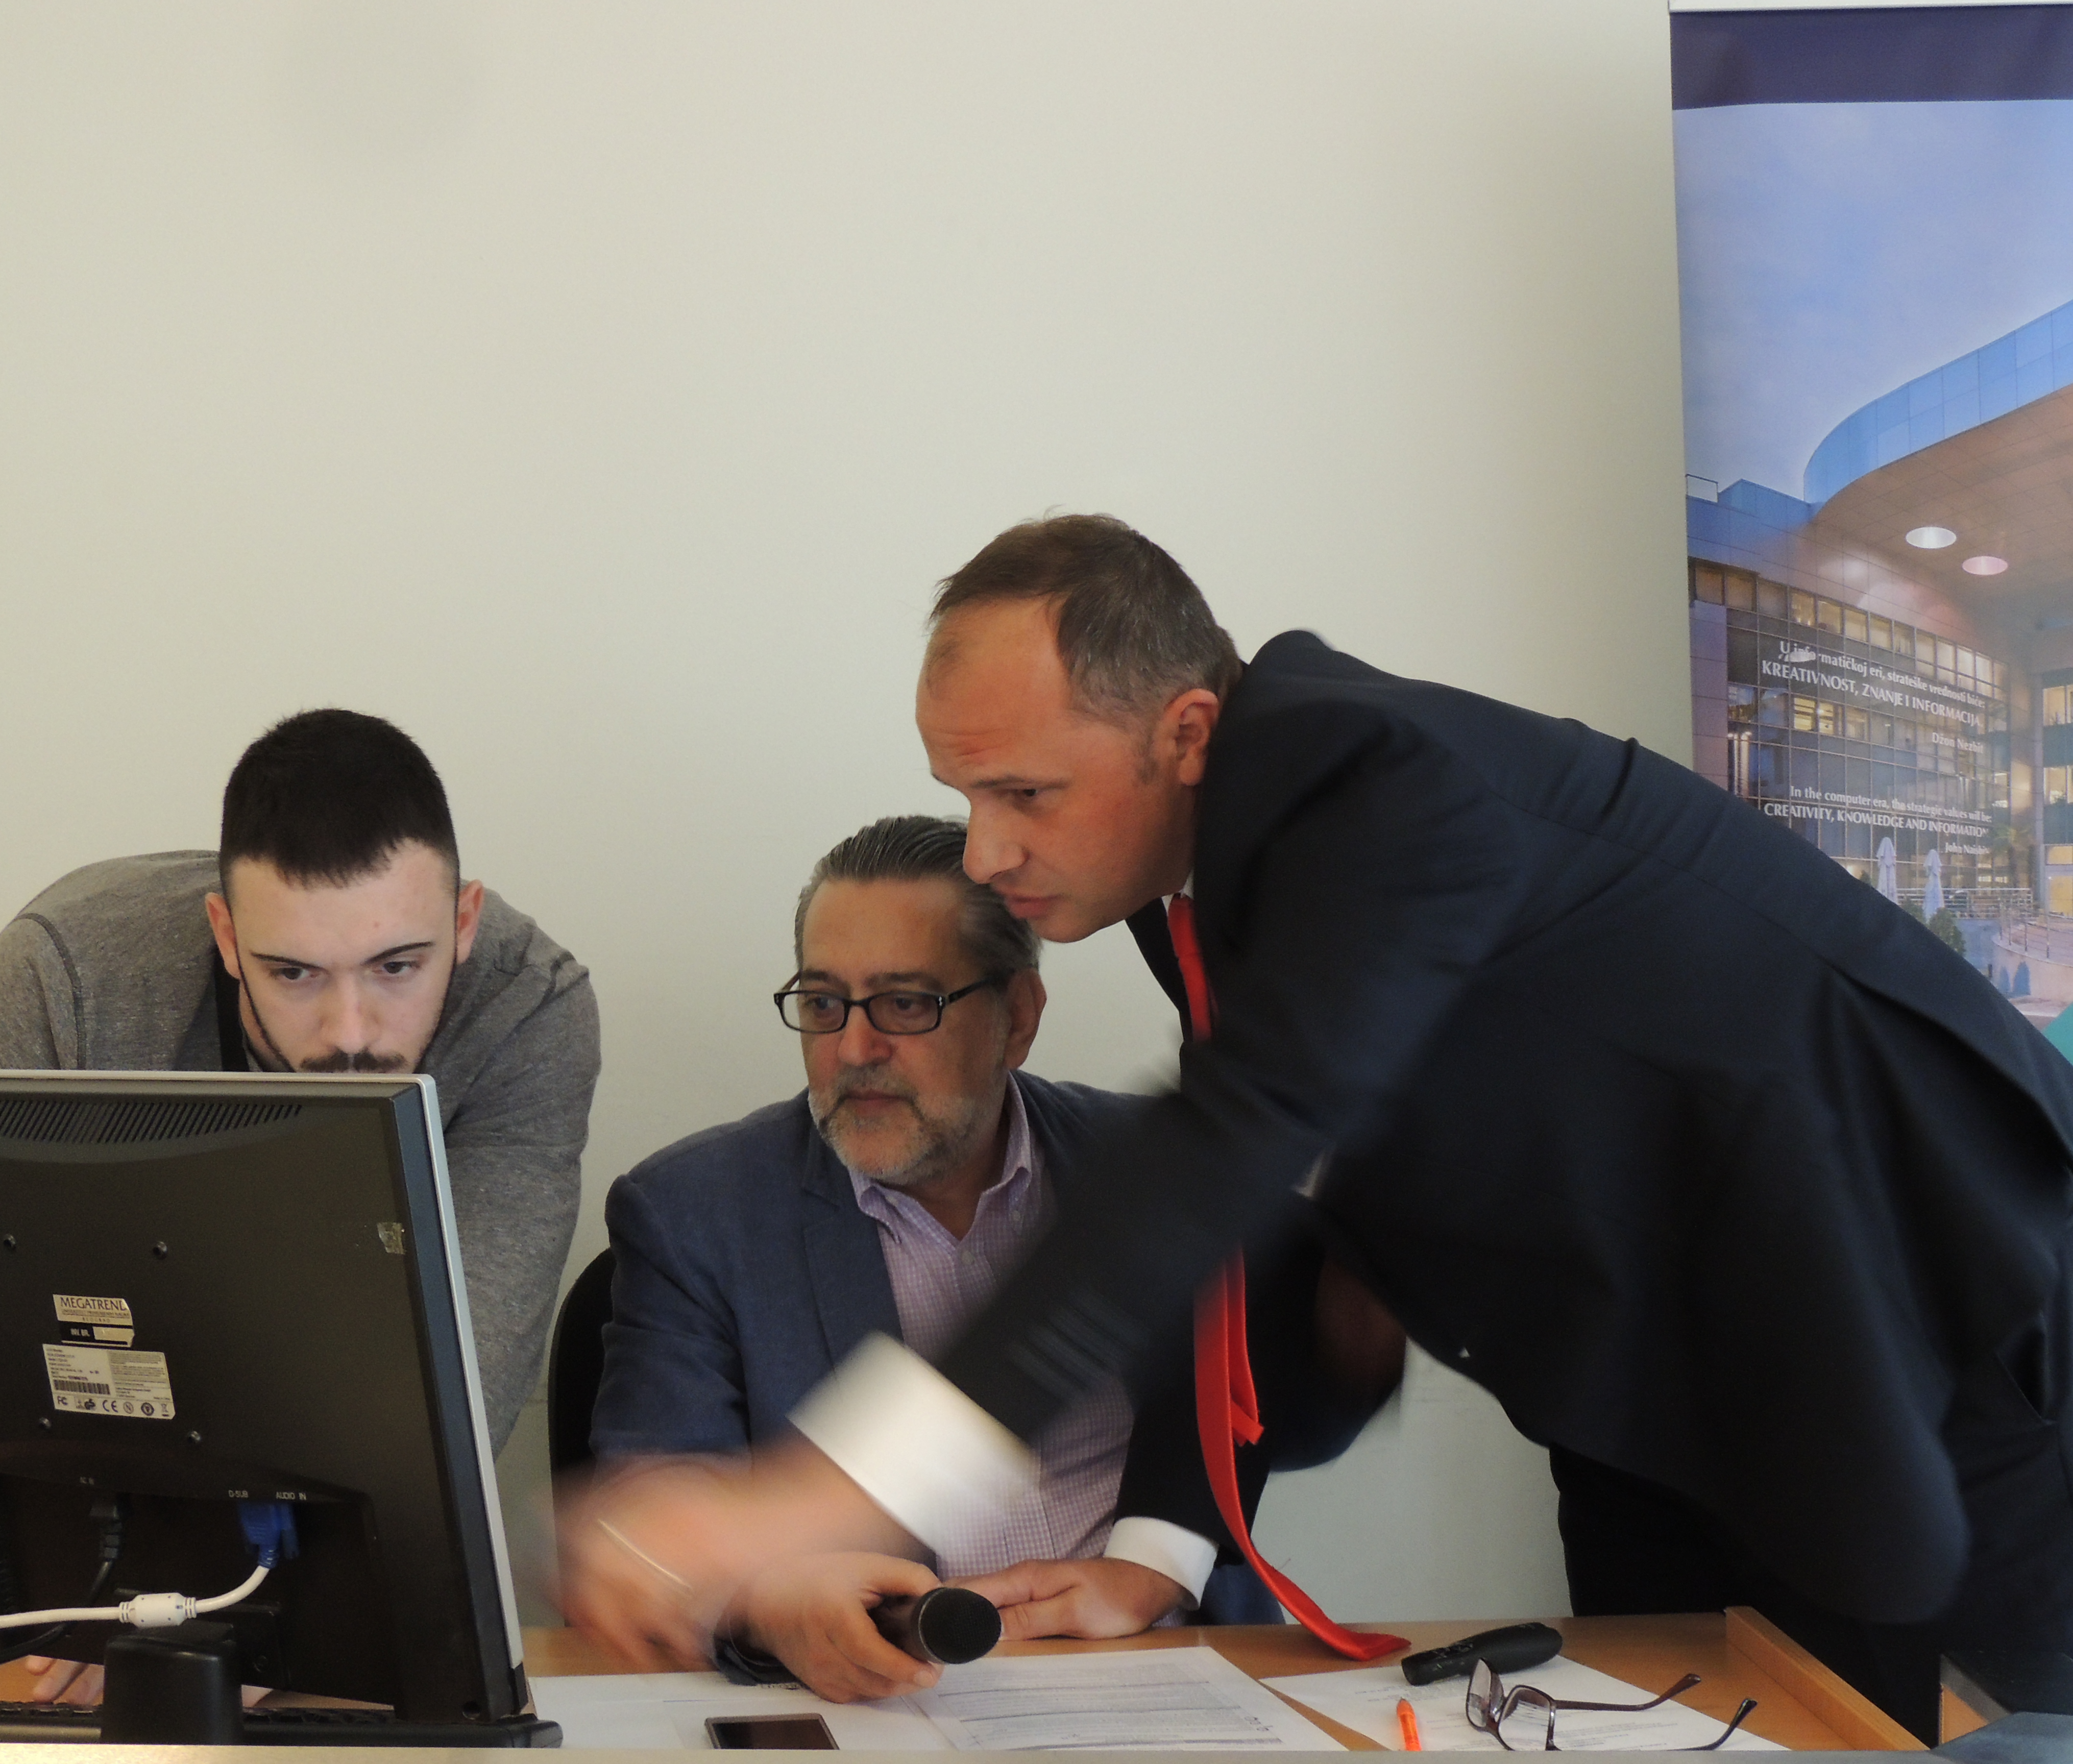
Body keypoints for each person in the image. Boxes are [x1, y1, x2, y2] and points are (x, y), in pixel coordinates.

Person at [565, 516, 2073, 1743]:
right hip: (1662, 1406)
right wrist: (1161, 1547)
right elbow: (1287, 1191)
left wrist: (817, 1493)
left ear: (1186, 731)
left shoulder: (1379, 785)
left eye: (1024, 791)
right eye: (966, 794)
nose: (990, 850)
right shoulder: (1207, 871)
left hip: (1922, 1351)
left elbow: (1224, 1147)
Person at [0, 708, 601, 1701]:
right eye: (293, 973)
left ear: (466, 922)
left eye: (398, 966)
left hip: (333, 1597)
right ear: (225, 934)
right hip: (95, 1551)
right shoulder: (71, 974)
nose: (351, 1032)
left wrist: (259, 1630)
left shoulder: (530, 1010)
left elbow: (461, 1375)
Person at [588, 816, 1365, 1702]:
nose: (854, 1049)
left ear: (1018, 1018)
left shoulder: (1157, 1175)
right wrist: (768, 1600)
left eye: (905, 1003)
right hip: (891, 1702)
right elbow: (656, 1501)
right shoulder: (695, 1212)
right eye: (823, 1003)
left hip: (1165, 1678)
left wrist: (1163, 1563)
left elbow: (1273, 1391)